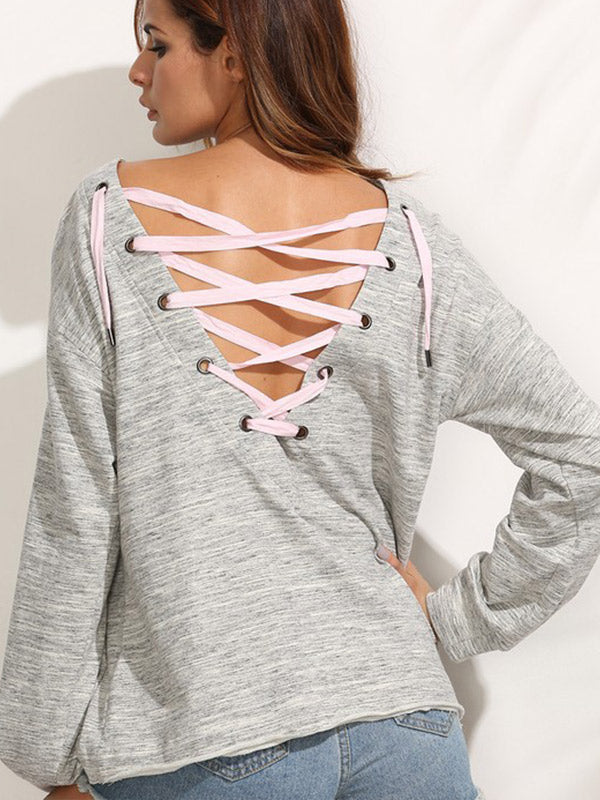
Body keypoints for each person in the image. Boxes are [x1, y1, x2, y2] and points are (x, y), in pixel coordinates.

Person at [1, 1, 599, 799]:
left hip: (203, 738)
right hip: (408, 736)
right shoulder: (412, 244)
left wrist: (42, 752)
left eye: (157, 44)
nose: (139, 73)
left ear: (235, 53)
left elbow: (74, 511)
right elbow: (583, 452)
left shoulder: (106, 222)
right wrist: (459, 619)